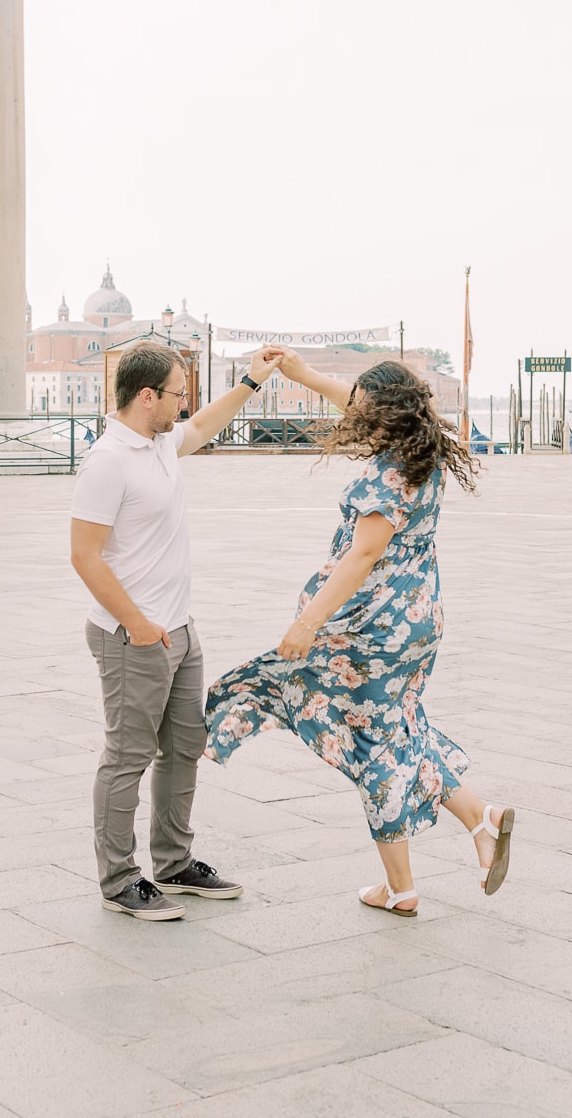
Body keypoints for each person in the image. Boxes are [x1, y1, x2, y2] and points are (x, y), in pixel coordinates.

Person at [204, 354, 514, 916]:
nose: (352, 417)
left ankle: (402, 889)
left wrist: (305, 625)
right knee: (401, 727)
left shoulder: (386, 475)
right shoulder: (424, 455)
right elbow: (353, 400)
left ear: (383, 416)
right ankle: (480, 819)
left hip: (373, 630)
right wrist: (300, 376)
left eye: (362, 411)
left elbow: (361, 558)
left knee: (373, 745)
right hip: (418, 619)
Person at [70, 340, 283, 920]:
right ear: (146, 397)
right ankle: (118, 880)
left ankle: (174, 862)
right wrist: (138, 625)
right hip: (131, 635)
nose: (185, 404)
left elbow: (207, 424)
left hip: (180, 630)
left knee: (184, 747)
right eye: (177, 394)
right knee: (128, 755)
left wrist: (252, 380)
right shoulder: (108, 459)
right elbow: (85, 556)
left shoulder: (160, 442)